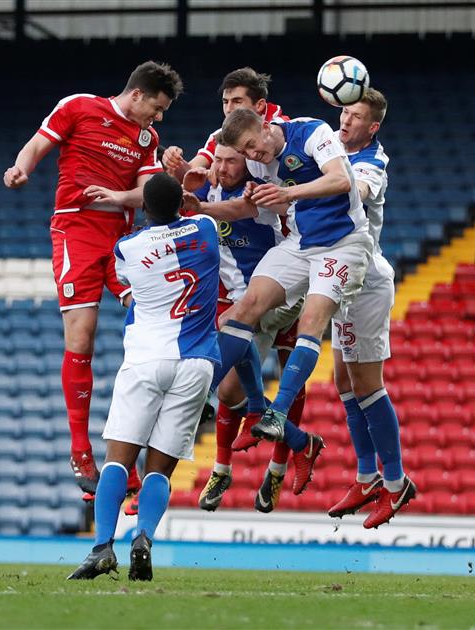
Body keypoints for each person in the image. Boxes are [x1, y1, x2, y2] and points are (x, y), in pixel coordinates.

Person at [3, 61, 183, 498]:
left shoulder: (148, 139)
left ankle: (127, 457)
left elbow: (144, 194)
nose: (157, 118)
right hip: (77, 231)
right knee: (81, 335)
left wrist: (140, 187)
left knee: (150, 328)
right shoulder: (79, 107)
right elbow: (37, 144)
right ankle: (81, 450)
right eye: (156, 108)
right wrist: (20, 168)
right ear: (137, 95)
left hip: (122, 241)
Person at [203, 108, 374, 496]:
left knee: (312, 320)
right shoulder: (259, 165)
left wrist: (288, 192)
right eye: (244, 152)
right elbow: (276, 208)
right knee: (243, 310)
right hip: (301, 243)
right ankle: (201, 391)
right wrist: (258, 198)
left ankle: (277, 413)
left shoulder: (312, 132)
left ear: (266, 128)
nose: (253, 156)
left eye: (252, 145)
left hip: (344, 243)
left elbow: (341, 179)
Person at [68, 173, 220, 581]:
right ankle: (144, 538)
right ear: (181, 203)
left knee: (118, 460)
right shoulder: (205, 230)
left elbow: (122, 279)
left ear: (145, 209)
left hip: (146, 358)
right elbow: (198, 210)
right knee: (159, 470)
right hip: (197, 362)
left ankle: (102, 547)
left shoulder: (128, 248)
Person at [182, 144, 305, 513]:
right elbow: (178, 204)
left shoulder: (260, 186)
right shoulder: (207, 184)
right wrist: (177, 174)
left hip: (281, 293)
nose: (221, 167)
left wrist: (198, 205)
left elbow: (241, 209)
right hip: (238, 298)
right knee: (230, 389)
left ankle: (278, 467)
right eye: (217, 159)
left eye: (230, 160)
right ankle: (223, 468)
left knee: (291, 382)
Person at [324, 89, 416, 529]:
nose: (345, 121)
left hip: (365, 281)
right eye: (343, 111)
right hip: (341, 279)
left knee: (366, 384)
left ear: (372, 126)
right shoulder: (330, 147)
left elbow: (355, 187)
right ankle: (366, 475)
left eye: (356, 116)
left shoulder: (372, 162)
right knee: (341, 378)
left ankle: (396, 485)